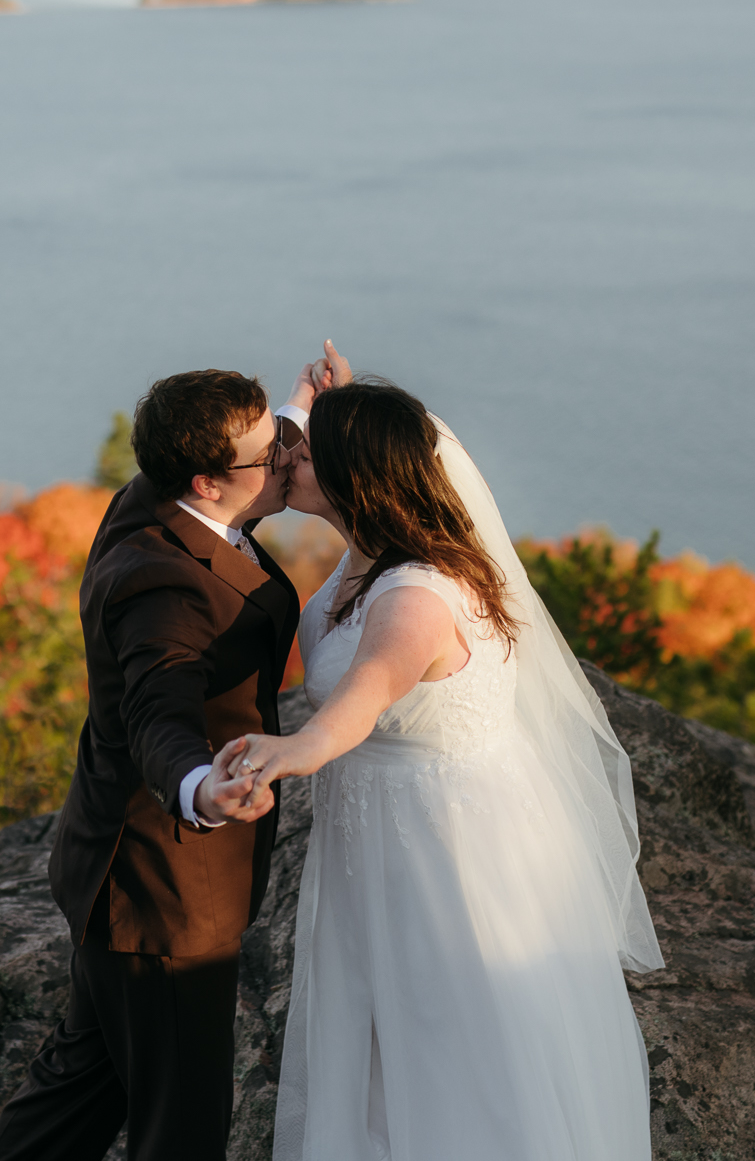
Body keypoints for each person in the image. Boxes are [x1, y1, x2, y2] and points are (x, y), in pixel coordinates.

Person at [221, 379, 663, 1161]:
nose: (286, 458)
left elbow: (363, 699)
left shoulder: (416, 594)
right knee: (386, 1056)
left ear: (358, 479)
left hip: (449, 862)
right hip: (383, 851)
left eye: (304, 450)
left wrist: (291, 751)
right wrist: (308, 408)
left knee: (455, 1050)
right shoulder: (363, 561)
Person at [0, 349, 348, 1161]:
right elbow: (159, 709)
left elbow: (252, 446)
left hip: (114, 876)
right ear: (208, 483)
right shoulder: (164, 586)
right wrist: (198, 786)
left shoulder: (151, 496)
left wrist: (299, 405)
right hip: (162, 892)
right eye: (274, 452)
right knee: (181, 1127)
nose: (291, 456)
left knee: (80, 1092)